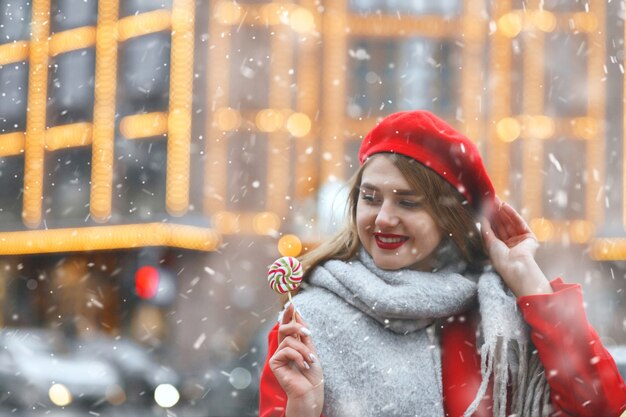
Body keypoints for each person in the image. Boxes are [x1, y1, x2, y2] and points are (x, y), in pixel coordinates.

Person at [258, 110, 626, 417]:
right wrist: (303, 409)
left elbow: (599, 405)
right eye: (371, 198)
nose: (384, 218)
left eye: (408, 202)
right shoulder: (307, 322)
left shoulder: (500, 317)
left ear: (449, 217)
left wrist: (525, 276)